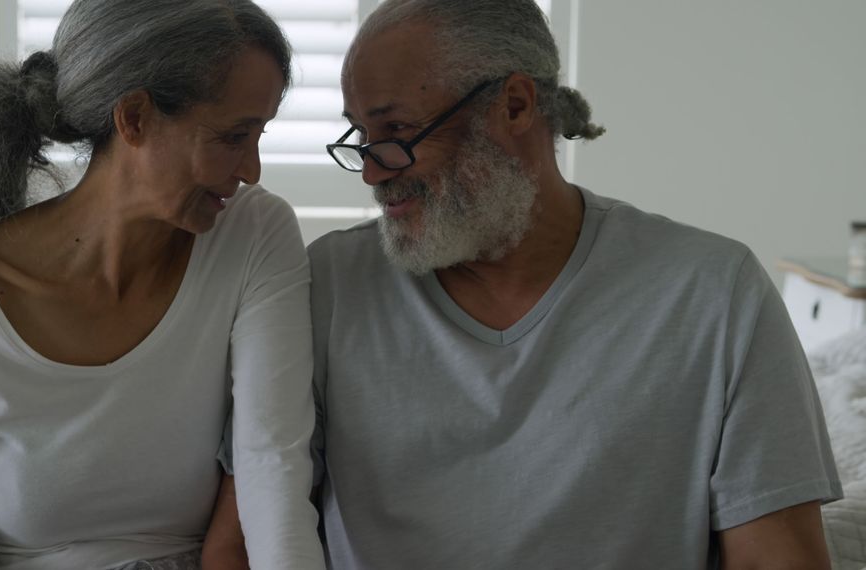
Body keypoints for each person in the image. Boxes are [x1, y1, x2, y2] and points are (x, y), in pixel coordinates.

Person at [310, 0, 842, 568]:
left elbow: (778, 557)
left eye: (396, 130)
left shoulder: (713, 293)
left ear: (514, 105)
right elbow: (253, 524)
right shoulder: (328, 287)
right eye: (360, 134)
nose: (371, 170)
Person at [0, 1, 325, 569]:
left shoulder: (254, 232)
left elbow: (274, 469)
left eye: (259, 134)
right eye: (233, 136)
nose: (251, 169)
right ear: (135, 117)